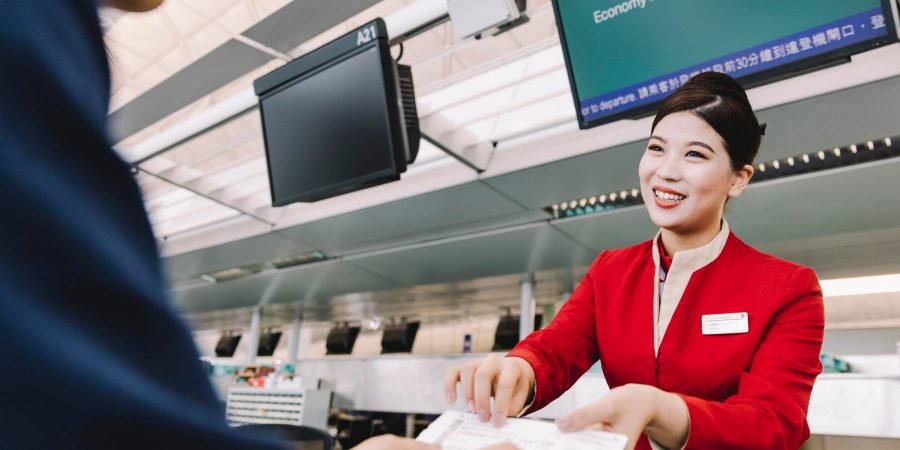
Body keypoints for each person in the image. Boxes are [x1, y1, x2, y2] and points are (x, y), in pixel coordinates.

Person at [445, 72, 825, 450]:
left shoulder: (788, 289)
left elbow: (775, 424)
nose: (665, 171)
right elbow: (555, 350)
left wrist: (660, 410)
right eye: (656, 148)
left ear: (738, 179)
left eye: (694, 154)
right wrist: (519, 370)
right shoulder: (611, 271)